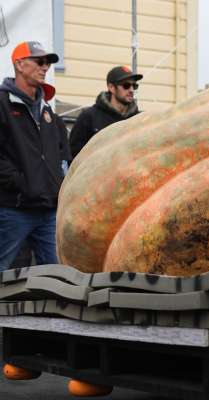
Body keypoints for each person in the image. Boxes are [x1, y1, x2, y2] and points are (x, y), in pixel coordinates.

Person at [0, 41, 71, 270]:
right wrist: (20, 182)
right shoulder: (2, 103)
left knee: (58, 276)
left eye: (48, 63)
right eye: (40, 61)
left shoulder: (47, 110)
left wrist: (56, 186)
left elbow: (59, 154)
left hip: (48, 210)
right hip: (13, 209)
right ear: (20, 64)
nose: (45, 67)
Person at [69, 65, 142, 157]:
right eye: (126, 85)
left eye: (134, 86)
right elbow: (74, 154)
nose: (131, 90)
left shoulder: (138, 119)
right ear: (111, 87)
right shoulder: (89, 117)